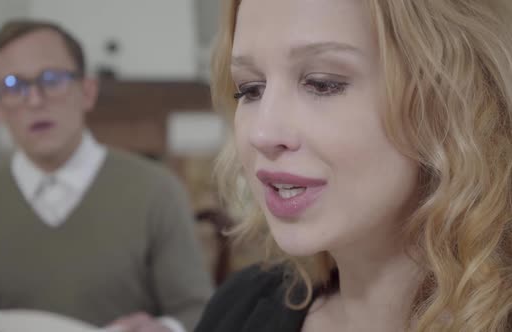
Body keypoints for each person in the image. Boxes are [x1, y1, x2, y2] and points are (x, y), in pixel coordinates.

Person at [195, 0, 512, 331]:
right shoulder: (239, 308)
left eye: (322, 83)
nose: (262, 133)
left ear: (452, 101)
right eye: (250, 90)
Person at [0, 19, 213, 332]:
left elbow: (198, 312)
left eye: (52, 79)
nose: (34, 100)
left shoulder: (156, 190)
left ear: (87, 91)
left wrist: (164, 328)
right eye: (14, 86)